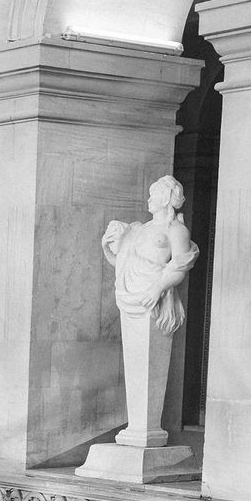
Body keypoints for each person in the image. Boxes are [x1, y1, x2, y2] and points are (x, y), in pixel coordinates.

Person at [100, 175, 199, 447]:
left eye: (153, 194)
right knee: (134, 360)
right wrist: (112, 243)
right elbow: (124, 259)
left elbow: (180, 264)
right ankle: (137, 428)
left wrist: (157, 289)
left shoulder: (176, 230)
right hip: (130, 296)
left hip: (153, 297)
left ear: (167, 198)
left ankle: (148, 430)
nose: (148, 199)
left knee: (149, 361)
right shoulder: (139, 228)